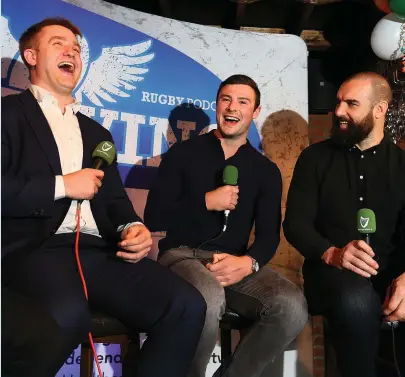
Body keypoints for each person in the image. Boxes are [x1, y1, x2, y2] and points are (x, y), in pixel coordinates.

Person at [1, 17, 206, 377]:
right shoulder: (7, 116)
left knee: (186, 305)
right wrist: (63, 185)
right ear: (30, 56)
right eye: (58, 44)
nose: (72, 52)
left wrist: (132, 225)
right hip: (36, 250)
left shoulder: (97, 132)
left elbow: (113, 201)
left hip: (99, 252)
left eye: (77, 48)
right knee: (66, 316)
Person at [144, 74, 308, 377]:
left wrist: (250, 262)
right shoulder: (182, 154)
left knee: (291, 306)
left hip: (233, 264)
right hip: (182, 256)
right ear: (217, 105)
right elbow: (154, 216)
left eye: (243, 102)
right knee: (208, 296)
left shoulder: (265, 171)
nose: (232, 107)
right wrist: (205, 201)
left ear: (255, 112)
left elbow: (269, 234)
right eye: (226, 99)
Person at [284, 72, 405, 377]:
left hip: (393, 279)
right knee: (357, 301)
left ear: (380, 109)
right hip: (329, 278)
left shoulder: (403, 166)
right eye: (338, 102)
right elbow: (296, 225)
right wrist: (332, 253)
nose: (338, 111)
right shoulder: (314, 158)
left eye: (351, 104)